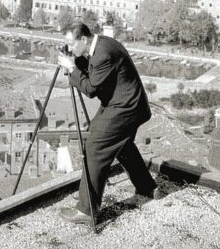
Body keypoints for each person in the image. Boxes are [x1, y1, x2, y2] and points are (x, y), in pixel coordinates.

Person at [56, 22, 158, 226]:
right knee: (121, 144)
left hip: (126, 108)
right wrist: (75, 61)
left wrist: (71, 67)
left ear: (83, 39)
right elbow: (95, 72)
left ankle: (86, 211)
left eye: (70, 43)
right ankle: (148, 188)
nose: (69, 47)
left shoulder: (103, 53)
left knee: (95, 146)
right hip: (124, 104)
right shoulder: (101, 44)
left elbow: (91, 89)